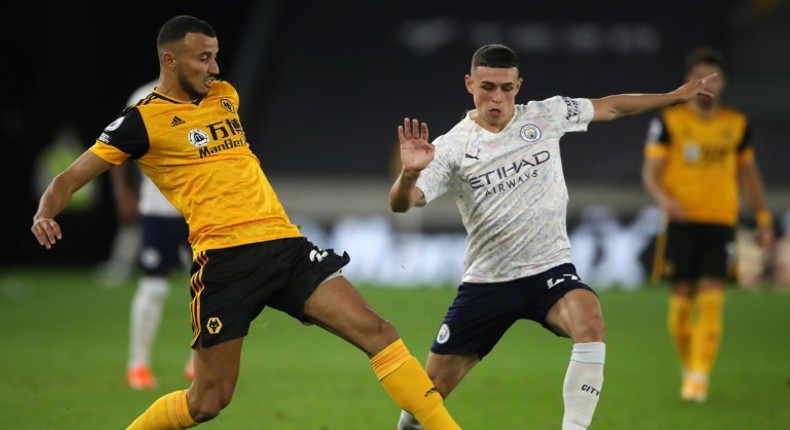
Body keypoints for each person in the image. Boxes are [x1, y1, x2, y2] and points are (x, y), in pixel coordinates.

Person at [31, 15, 460, 430]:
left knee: (379, 331)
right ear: (170, 61)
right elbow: (69, 177)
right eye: (202, 58)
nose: (214, 68)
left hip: (284, 245)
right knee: (207, 401)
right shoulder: (140, 122)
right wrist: (46, 211)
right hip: (225, 262)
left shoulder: (225, 96)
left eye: (216, 57)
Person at [389, 43, 719, 430]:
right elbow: (402, 204)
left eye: (507, 88)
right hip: (488, 283)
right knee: (426, 396)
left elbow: (612, 106)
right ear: (469, 83)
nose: (497, 97)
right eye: (488, 86)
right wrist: (409, 173)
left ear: (519, 85)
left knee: (590, 320)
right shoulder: (450, 148)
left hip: (549, 270)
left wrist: (674, 97)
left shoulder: (547, 114)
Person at [641, 46, 773, 403]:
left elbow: (750, 175)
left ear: (723, 82)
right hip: (681, 223)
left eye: (713, 77)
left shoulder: (736, 124)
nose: (706, 84)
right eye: (700, 76)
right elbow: (651, 174)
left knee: (713, 300)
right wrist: (666, 200)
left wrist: (762, 217)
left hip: (721, 222)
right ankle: (690, 368)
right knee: (682, 304)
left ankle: (699, 377)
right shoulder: (669, 121)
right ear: (688, 81)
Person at [117, 80, 196, 390]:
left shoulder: (208, 94)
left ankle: (198, 363)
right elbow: (114, 147)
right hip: (158, 209)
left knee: (210, 285)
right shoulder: (142, 97)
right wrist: (123, 192)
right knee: (154, 288)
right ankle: (137, 365)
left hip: (199, 209)